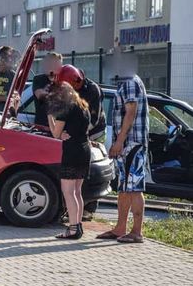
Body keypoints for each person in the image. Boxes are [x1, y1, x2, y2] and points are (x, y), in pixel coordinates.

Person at [97, 71, 149, 243]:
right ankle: (120, 228)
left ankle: (136, 232)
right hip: (127, 144)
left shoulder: (131, 82)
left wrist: (119, 141)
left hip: (131, 143)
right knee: (124, 187)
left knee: (134, 187)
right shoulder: (128, 82)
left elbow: (131, 112)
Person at [47, 82, 91, 239]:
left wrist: (50, 116)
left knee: (68, 191)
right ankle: (78, 226)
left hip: (72, 151)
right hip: (85, 149)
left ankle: (73, 228)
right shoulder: (83, 106)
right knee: (77, 191)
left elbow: (55, 133)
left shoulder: (66, 109)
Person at [56, 65, 107, 143]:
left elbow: (93, 120)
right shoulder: (67, 91)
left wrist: (73, 133)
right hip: (77, 132)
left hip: (95, 134)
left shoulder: (93, 90)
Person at [33, 52, 63, 126]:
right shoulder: (38, 79)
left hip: (59, 125)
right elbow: (40, 96)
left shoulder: (63, 80)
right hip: (42, 124)